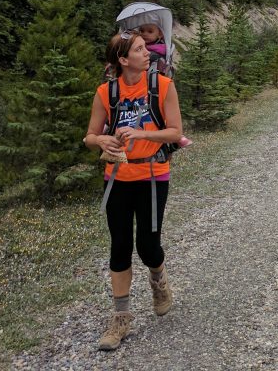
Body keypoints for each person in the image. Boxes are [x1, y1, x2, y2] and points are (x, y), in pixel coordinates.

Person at [84, 30, 184, 351]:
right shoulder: (106, 93)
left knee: (148, 246)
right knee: (120, 246)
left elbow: (176, 131)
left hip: (154, 174)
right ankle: (121, 317)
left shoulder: (162, 86)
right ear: (123, 60)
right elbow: (90, 136)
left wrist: (141, 134)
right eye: (140, 50)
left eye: (146, 48)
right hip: (117, 176)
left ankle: (158, 278)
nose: (148, 54)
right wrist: (101, 140)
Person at [139, 22, 193, 149]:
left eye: (150, 31)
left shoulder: (160, 50)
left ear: (160, 34)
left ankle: (177, 137)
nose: (145, 34)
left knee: (162, 111)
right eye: (142, 31)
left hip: (157, 87)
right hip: (144, 86)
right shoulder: (139, 47)